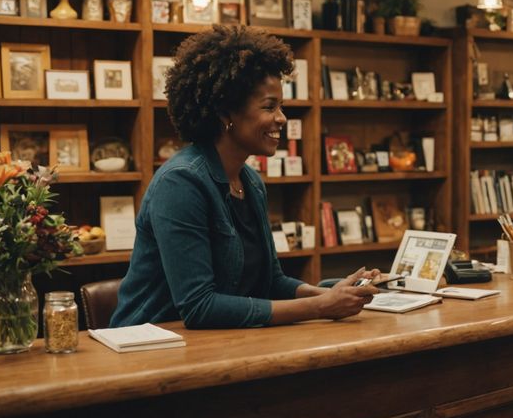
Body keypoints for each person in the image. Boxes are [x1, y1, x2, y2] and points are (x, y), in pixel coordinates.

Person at [111, 25, 379, 329]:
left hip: (220, 345)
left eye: (281, 106)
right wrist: (319, 306)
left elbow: (271, 281)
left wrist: (335, 295)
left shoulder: (250, 181)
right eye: (269, 107)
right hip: (147, 349)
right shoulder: (181, 183)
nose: (281, 118)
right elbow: (200, 307)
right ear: (226, 114)